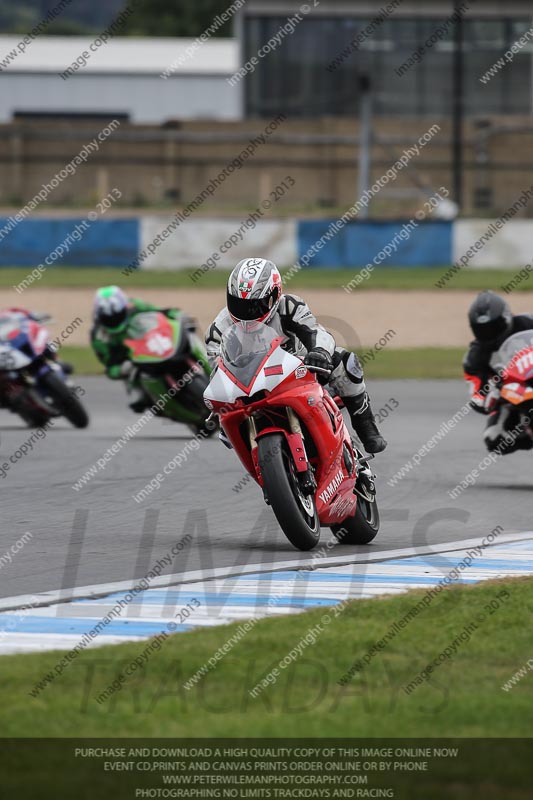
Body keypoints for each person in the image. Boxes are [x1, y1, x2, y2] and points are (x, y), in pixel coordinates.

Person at [205, 258, 387, 453]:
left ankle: (366, 427)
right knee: (225, 428)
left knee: (347, 363)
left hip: (303, 372)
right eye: (238, 303)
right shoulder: (218, 329)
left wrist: (319, 352)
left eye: (255, 305)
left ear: (274, 296)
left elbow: (316, 332)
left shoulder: (290, 306)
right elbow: (217, 371)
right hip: (252, 388)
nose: (246, 312)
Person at [91, 286, 186, 412]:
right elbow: (109, 367)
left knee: (185, 332)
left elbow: (158, 312)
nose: (114, 320)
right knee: (134, 376)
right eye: (108, 319)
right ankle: (147, 396)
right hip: (132, 360)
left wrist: (173, 313)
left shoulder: (136, 306)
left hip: (153, 342)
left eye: (118, 315)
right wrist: (120, 369)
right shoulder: (99, 336)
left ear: (125, 307)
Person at [464, 290, 533, 453]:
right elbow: (477, 395)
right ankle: (528, 433)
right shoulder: (475, 357)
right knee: (494, 438)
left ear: (506, 317)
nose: (489, 333)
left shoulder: (528, 322)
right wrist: (492, 395)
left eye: (493, 326)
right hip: (511, 395)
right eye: (482, 329)